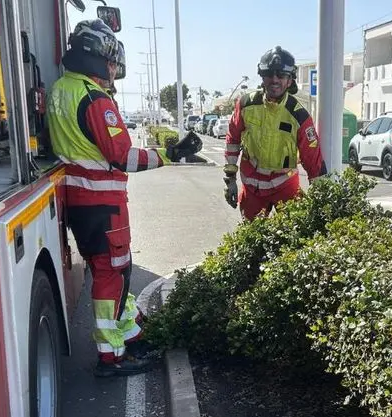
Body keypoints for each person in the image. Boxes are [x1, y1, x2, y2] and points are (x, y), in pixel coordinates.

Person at [48, 20, 202, 377]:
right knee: (111, 273)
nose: (114, 70)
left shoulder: (61, 89)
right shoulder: (95, 98)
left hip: (80, 201)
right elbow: (123, 156)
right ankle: (111, 354)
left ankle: (129, 334)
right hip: (102, 200)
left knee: (118, 269)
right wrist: (168, 154)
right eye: (112, 62)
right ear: (98, 58)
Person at [223, 46, 327, 220]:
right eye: (269, 74)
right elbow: (233, 139)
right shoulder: (246, 104)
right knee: (252, 240)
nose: (275, 79)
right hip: (252, 188)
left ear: (290, 80)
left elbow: (312, 158)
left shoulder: (299, 115)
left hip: (285, 187)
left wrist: (321, 196)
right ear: (262, 77)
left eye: (281, 75)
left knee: (294, 238)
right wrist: (230, 178)